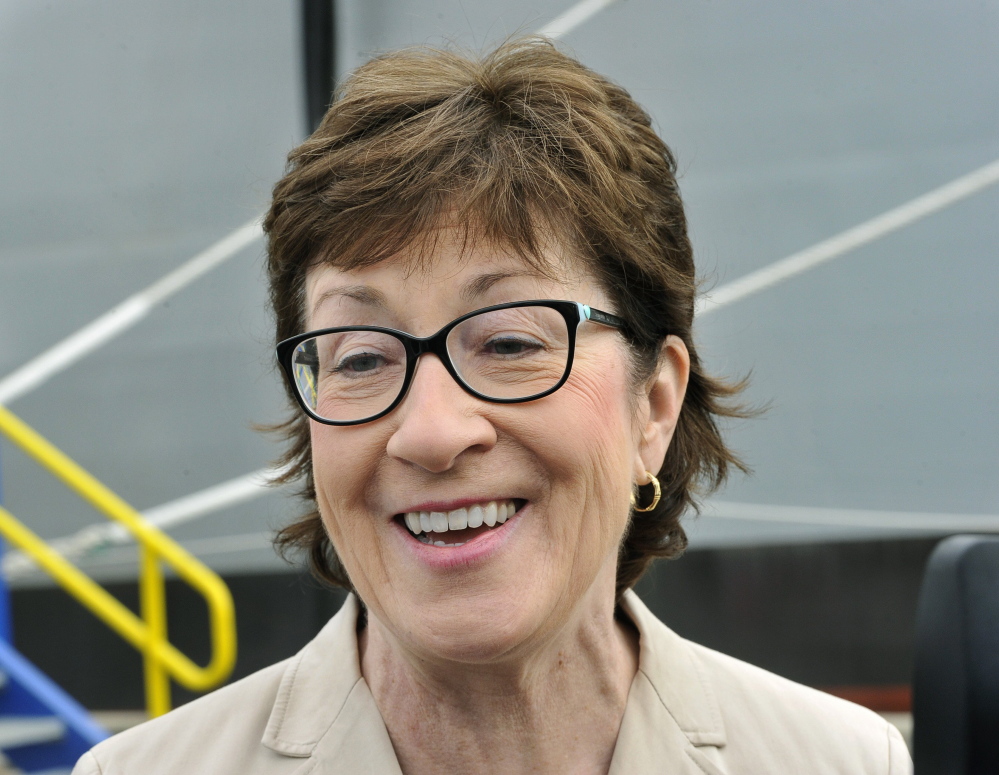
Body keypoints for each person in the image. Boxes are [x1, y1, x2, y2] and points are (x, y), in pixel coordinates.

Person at [73, 38, 911, 774]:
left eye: (509, 343)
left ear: (653, 404)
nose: (432, 432)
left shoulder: (840, 761)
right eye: (361, 357)